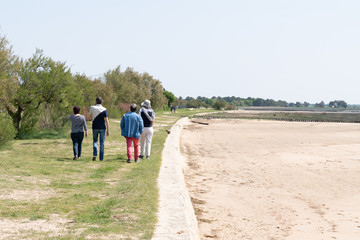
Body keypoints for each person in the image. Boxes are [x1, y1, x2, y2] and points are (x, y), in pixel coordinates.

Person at [89, 97, 109, 161]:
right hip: (102, 127)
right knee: (102, 142)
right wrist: (108, 129)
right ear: (102, 101)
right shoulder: (104, 109)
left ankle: (95, 153)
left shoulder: (92, 107)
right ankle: (101, 158)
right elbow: (106, 120)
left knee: (95, 141)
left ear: (96, 101)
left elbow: (90, 116)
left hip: (95, 126)